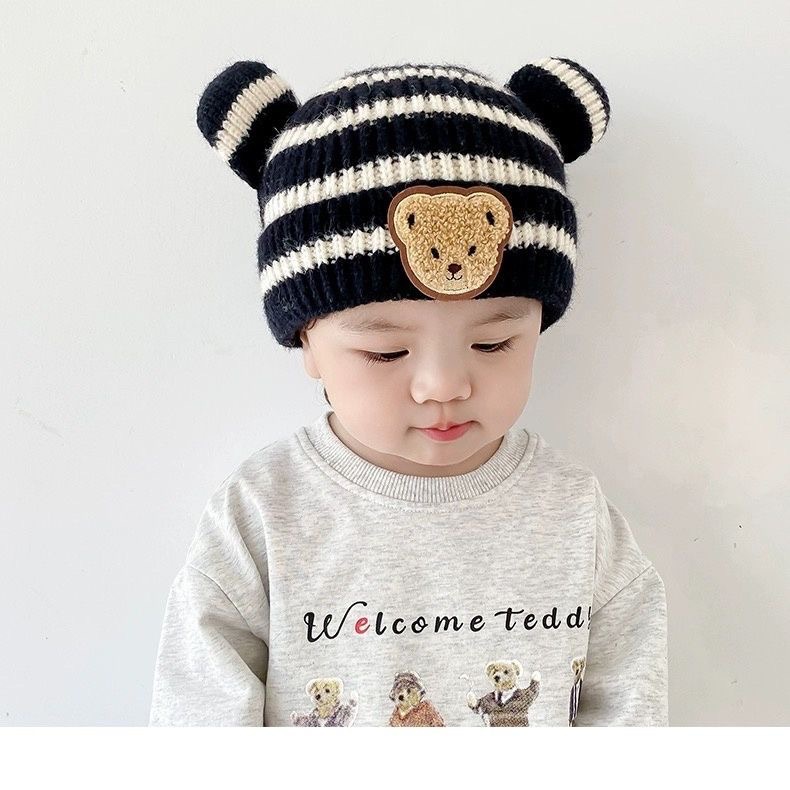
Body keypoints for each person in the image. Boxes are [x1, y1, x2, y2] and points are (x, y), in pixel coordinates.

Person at [148, 57, 668, 726]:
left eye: (494, 343)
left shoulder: (572, 511)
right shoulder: (265, 512)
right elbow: (199, 713)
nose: (444, 385)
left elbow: (629, 699)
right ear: (306, 343)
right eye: (385, 352)